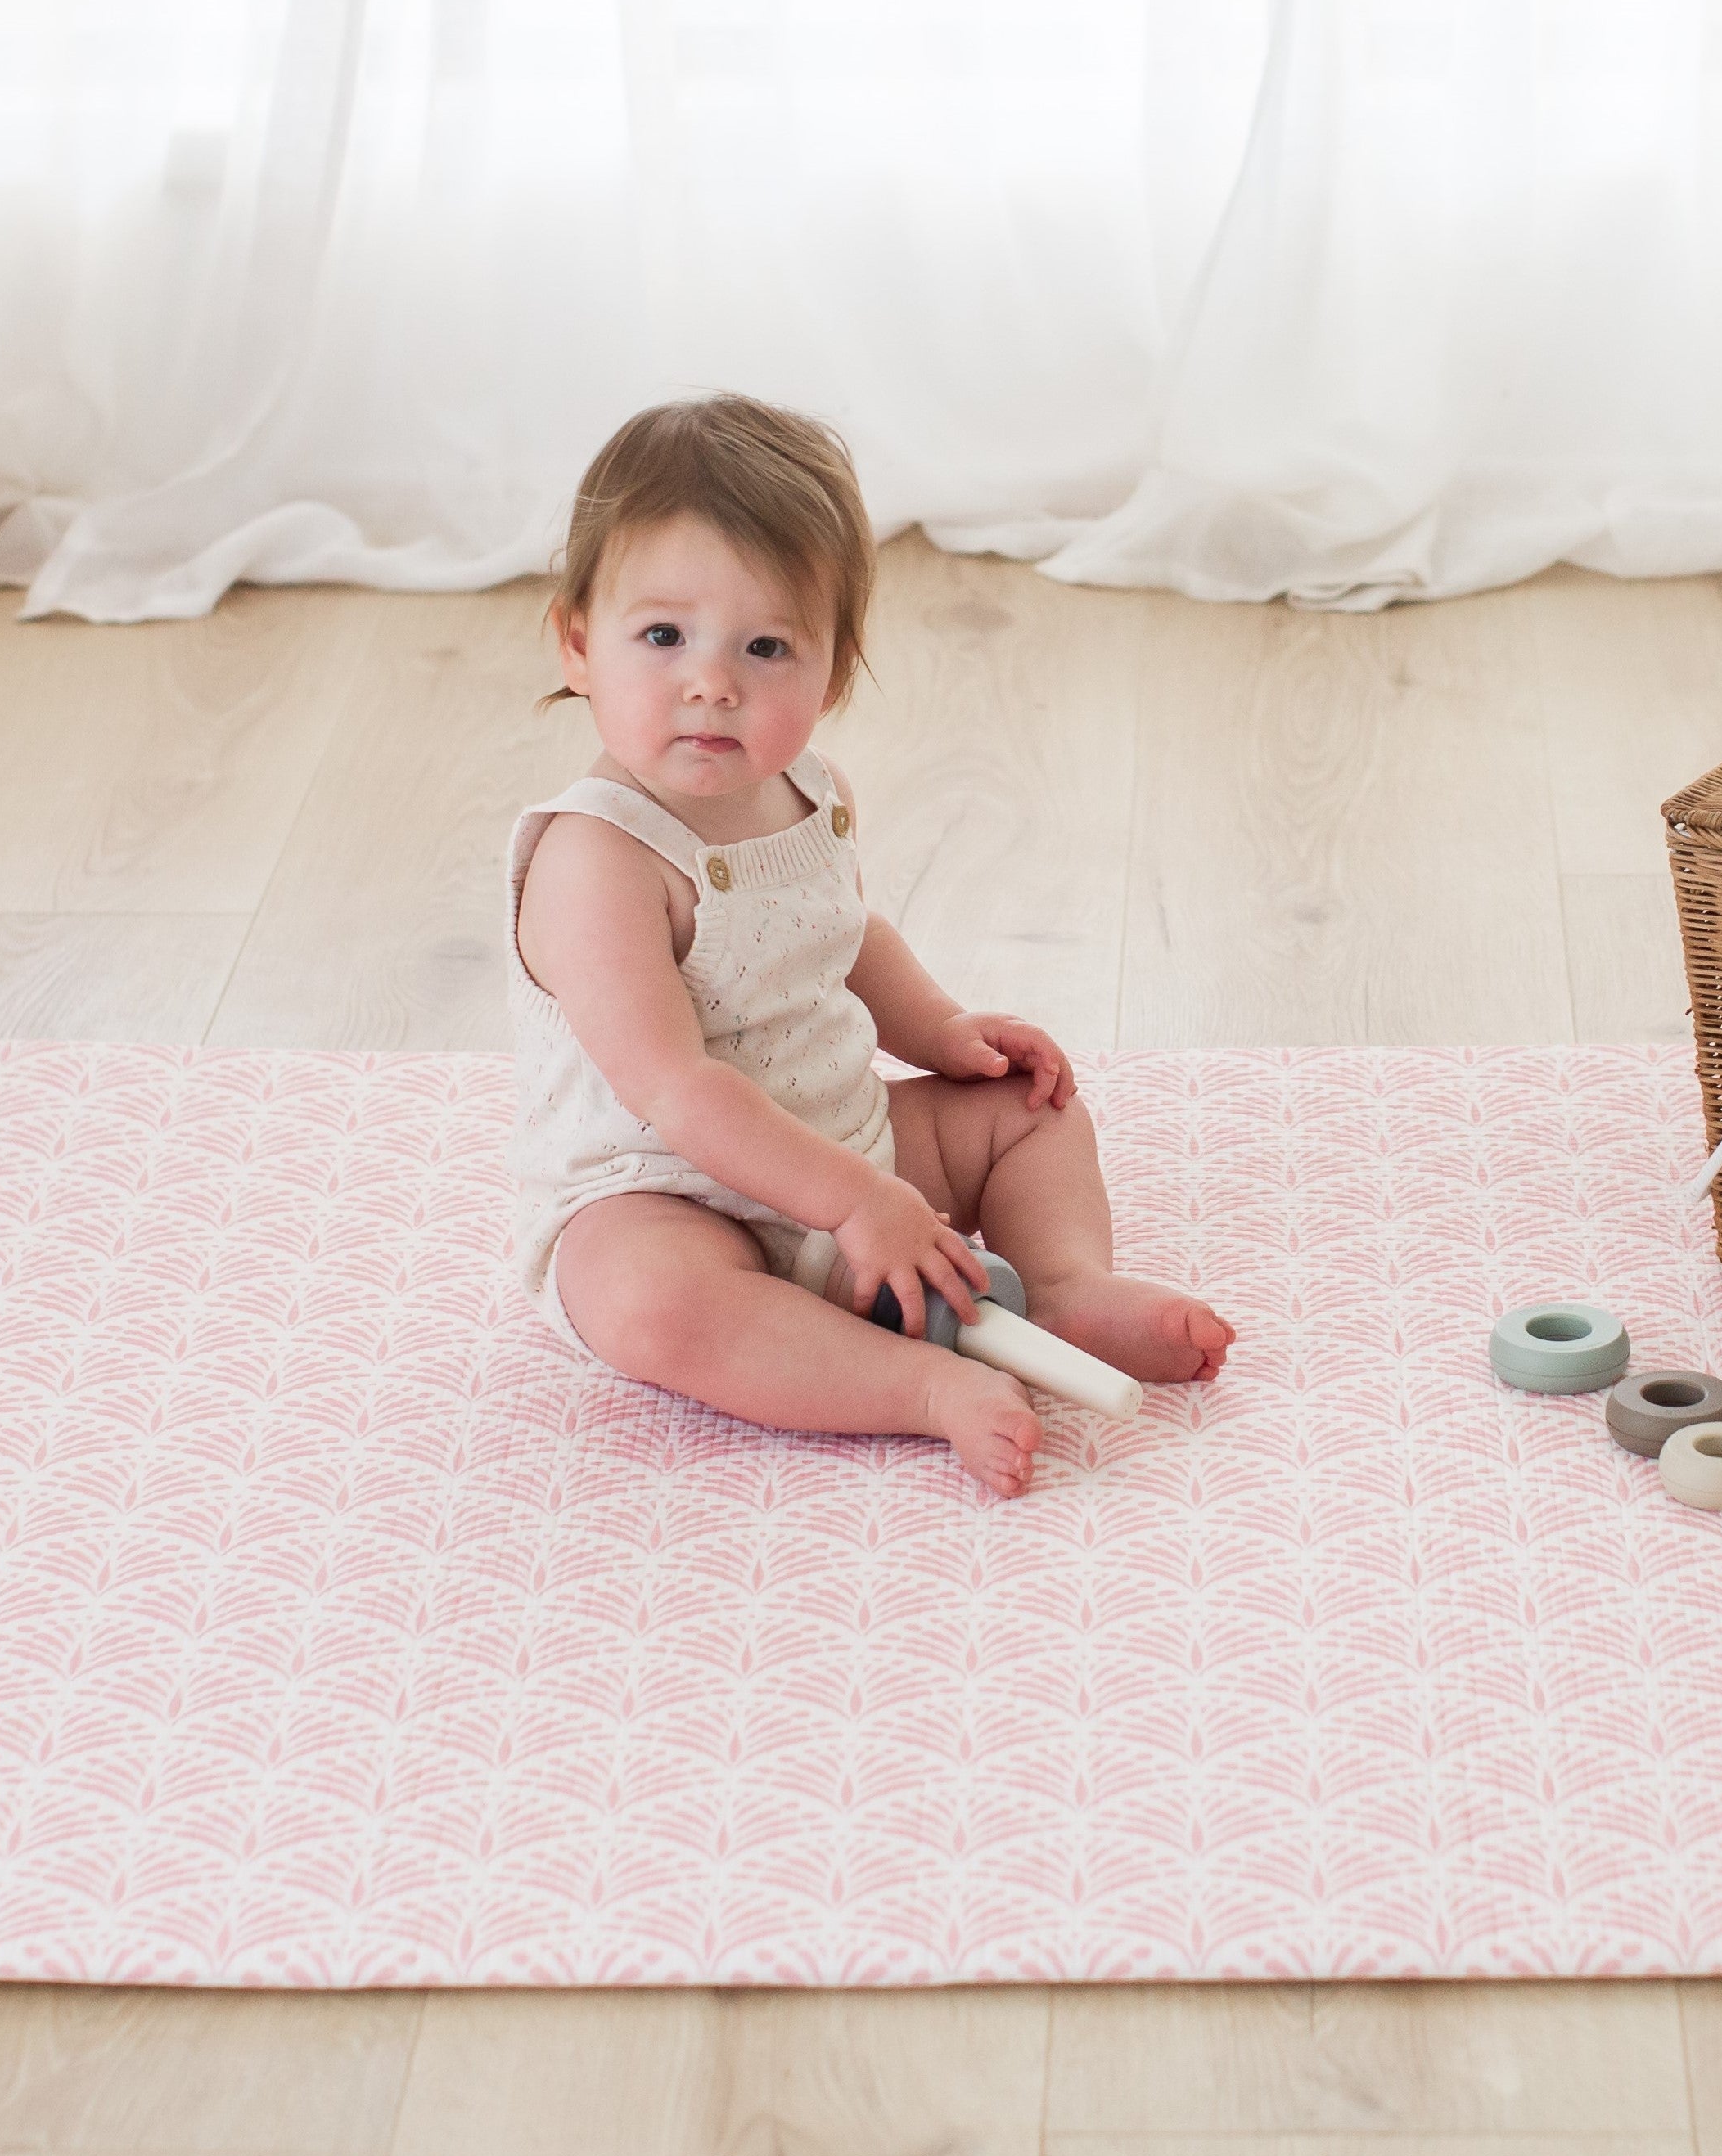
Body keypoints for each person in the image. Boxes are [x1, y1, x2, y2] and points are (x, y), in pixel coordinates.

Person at [506, 394, 1235, 1497]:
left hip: (847, 1144)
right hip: (674, 1193)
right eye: (662, 636)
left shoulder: (809, 794)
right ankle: (913, 1389)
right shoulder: (595, 860)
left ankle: (1068, 1286)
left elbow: (845, 938)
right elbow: (677, 1087)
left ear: (832, 674)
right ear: (577, 644)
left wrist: (945, 1035)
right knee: (647, 1298)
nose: (712, 681)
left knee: (1028, 1112)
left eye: (766, 646)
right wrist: (849, 1204)